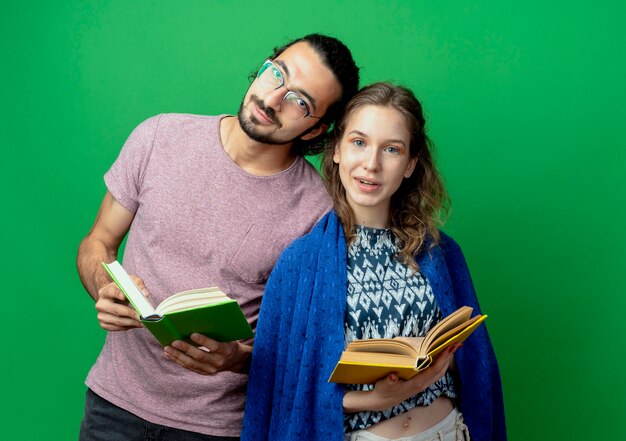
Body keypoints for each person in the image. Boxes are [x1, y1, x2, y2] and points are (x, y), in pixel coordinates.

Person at [76, 34, 359, 440]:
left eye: (301, 101)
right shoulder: (159, 136)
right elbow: (97, 242)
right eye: (276, 74)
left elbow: (298, 346)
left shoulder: (317, 212)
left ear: (318, 129)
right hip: (113, 404)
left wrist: (236, 359)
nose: (273, 98)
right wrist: (105, 285)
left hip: (215, 427)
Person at [242, 82, 506, 441]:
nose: (371, 164)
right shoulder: (299, 265)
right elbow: (280, 394)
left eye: (392, 149)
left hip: (447, 431)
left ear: (411, 164)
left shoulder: (442, 253)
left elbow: (478, 369)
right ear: (336, 150)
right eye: (359, 142)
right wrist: (370, 399)